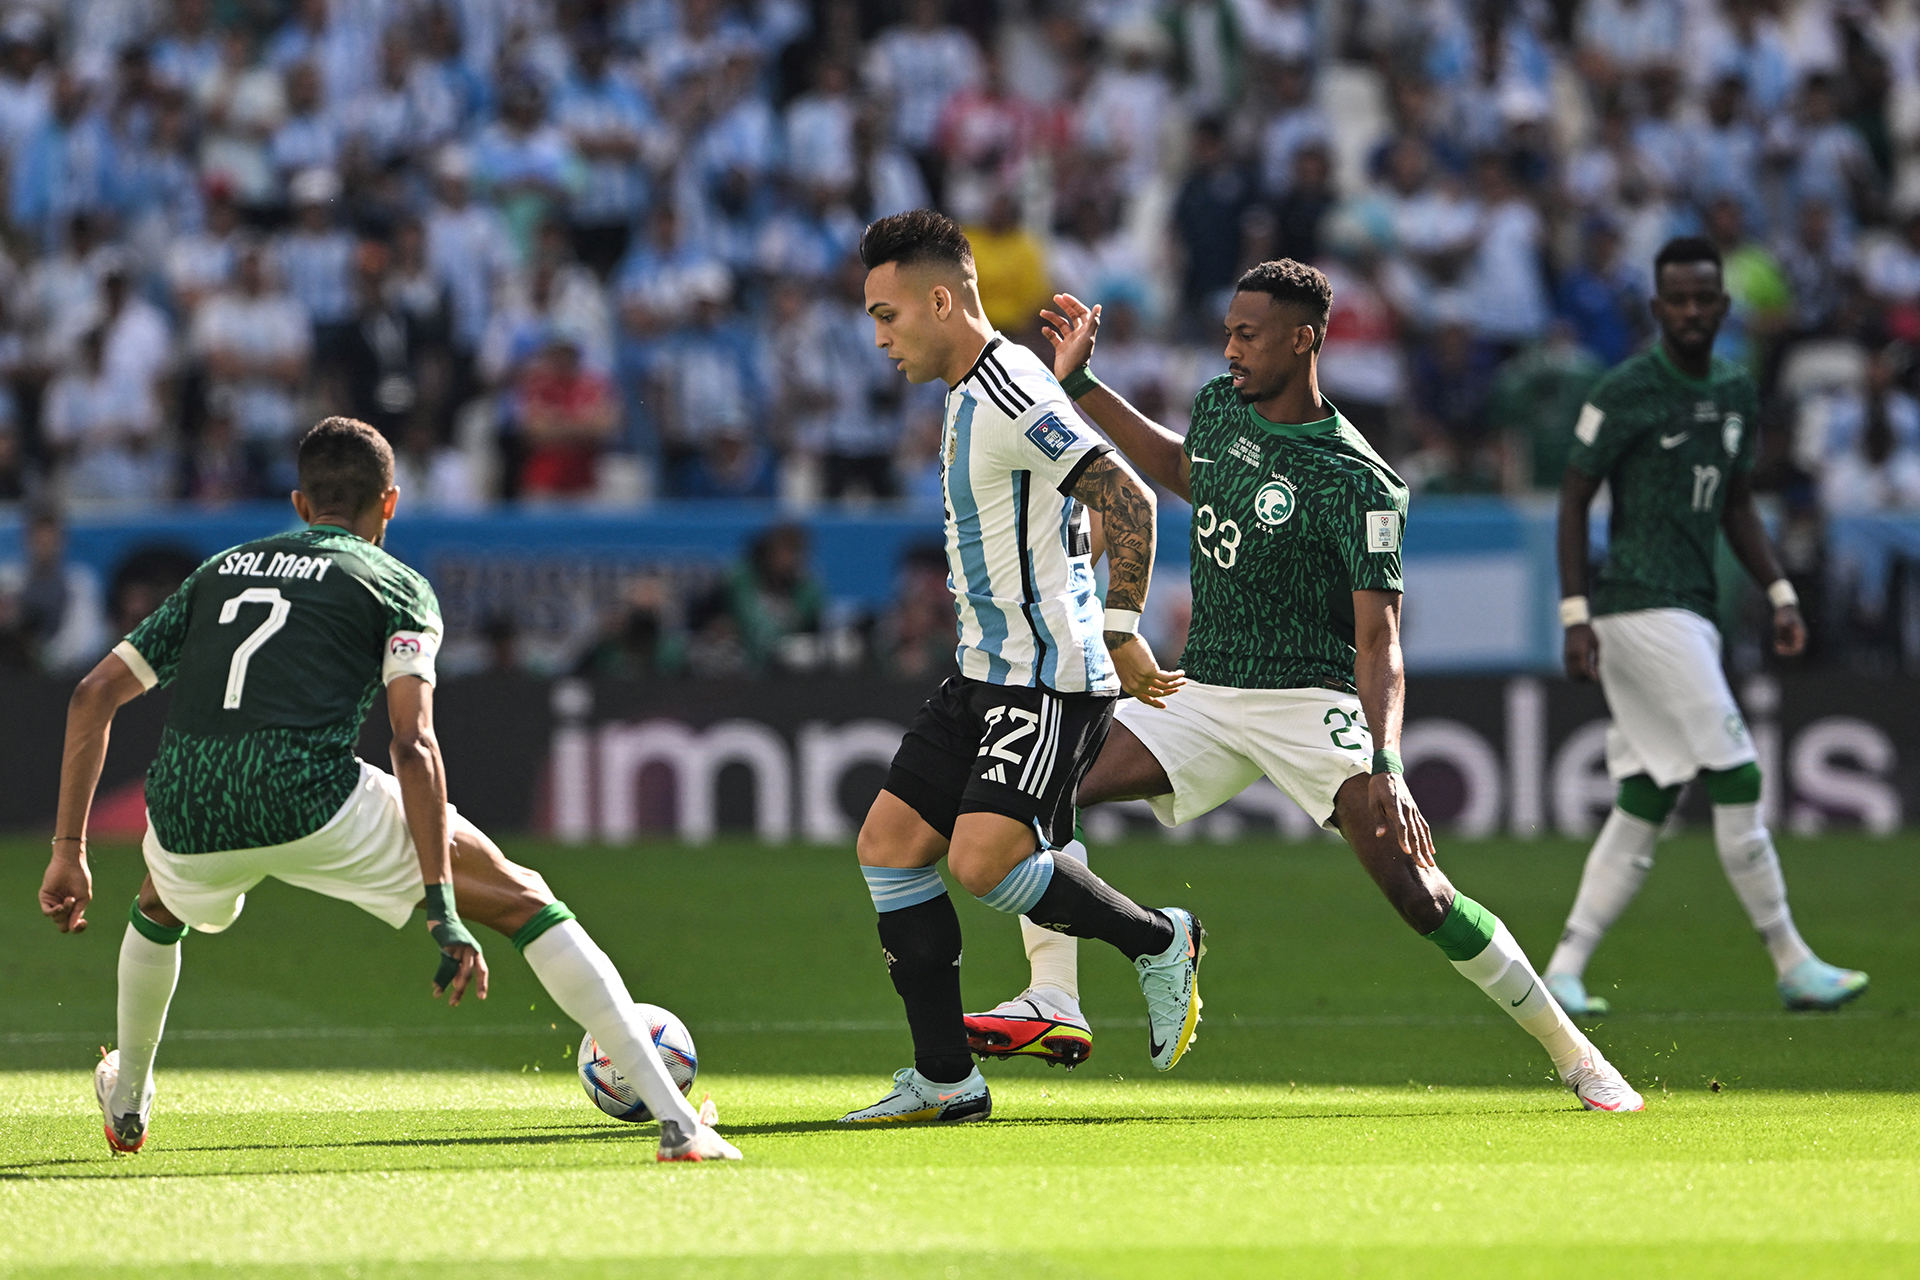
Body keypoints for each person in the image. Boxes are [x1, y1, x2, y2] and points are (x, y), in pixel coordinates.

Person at [967, 263, 1645, 1113]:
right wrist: (1085, 387)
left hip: (1308, 704)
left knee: (1419, 892)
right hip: (1200, 692)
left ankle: (1577, 1056)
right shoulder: (1222, 404)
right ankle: (1057, 997)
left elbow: (1380, 639)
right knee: (1036, 793)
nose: (1230, 349)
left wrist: (1388, 763)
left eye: (1247, 335)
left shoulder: (1361, 481)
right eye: (1227, 331)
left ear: (1304, 339)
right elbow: (1187, 469)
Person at [35, 417, 738, 1164]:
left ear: (301, 504)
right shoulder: (395, 585)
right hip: (311, 796)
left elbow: (92, 695)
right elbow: (412, 744)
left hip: (186, 805)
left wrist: (70, 849)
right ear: (390, 503)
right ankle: (678, 1124)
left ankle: (128, 1101)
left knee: (157, 905)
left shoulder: (220, 571)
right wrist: (442, 905)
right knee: (524, 898)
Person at [844, 210, 1200, 1126]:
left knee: (982, 862)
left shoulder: (1007, 391)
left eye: (887, 315)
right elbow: (1067, 505)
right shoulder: (974, 387)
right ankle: (947, 1080)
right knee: (888, 847)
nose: (879, 338)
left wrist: (1120, 627)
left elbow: (1128, 496)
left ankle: (1159, 940)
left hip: (1048, 680)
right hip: (983, 672)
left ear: (939, 301)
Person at [1544, 237, 1869, 1016]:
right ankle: (1791, 960)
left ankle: (1564, 969)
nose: (1691, 311)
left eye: (1703, 299)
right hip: (1637, 602)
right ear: (1658, 308)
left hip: (1693, 607)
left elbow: (1736, 504)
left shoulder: (1734, 391)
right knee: (1738, 773)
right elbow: (1573, 498)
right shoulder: (1626, 390)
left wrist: (1780, 591)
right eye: (1678, 300)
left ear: (1723, 307)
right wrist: (1575, 613)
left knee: (1649, 794)